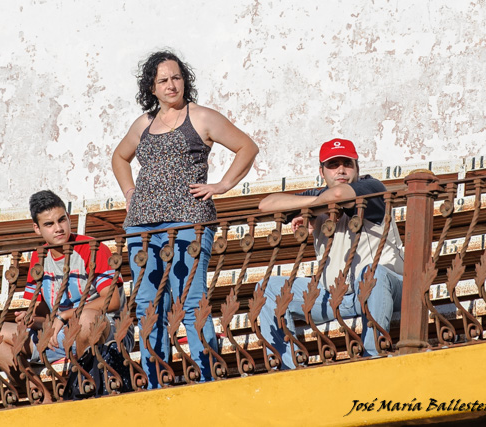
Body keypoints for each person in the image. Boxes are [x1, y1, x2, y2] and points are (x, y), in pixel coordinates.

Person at [112, 50, 259, 387]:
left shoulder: (202, 117)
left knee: (192, 300)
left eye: (176, 77)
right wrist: (130, 192)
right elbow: (119, 158)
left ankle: (208, 377)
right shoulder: (144, 123)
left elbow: (246, 147)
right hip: (142, 228)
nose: (171, 85)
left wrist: (221, 185)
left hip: (189, 223)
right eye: (162, 80)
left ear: (184, 80)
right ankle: (154, 382)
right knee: (150, 305)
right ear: (152, 87)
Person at [257, 138, 404, 367]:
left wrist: (309, 209)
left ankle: (373, 361)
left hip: (384, 288)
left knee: (372, 273)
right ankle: (289, 367)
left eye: (347, 163)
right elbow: (266, 204)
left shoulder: (371, 187)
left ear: (357, 168)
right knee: (267, 288)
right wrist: (315, 206)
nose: (341, 170)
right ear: (322, 171)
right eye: (333, 165)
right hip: (335, 295)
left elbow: (338, 196)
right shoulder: (319, 194)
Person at [0, 190, 134, 381]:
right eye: (49, 224)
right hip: (59, 335)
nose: (58, 228)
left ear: (69, 219)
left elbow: (113, 302)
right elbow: (43, 314)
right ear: (37, 228)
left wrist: (65, 315)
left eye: (62, 220)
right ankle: (37, 392)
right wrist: (30, 319)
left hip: (105, 332)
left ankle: (85, 381)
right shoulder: (39, 257)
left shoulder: (92, 248)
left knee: (85, 320)